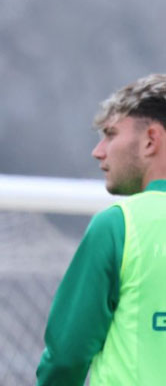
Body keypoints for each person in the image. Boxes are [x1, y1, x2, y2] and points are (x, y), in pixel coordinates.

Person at [37, 74, 166, 385]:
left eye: (110, 134)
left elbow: (66, 357)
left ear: (150, 140)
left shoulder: (120, 225)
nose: (99, 151)